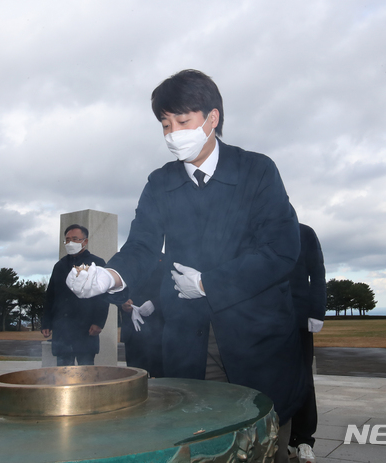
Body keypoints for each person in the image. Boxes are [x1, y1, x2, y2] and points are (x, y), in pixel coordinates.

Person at [66, 69, 305, 463]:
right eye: (164, 124)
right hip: (189, 339)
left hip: (256, 333)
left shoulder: (256, 171)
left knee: (264, 442)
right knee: (204, 441)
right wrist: (108, 275)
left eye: (182, 121)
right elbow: (142, 246)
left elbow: (281, 250)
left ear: (211, 119)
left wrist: (211, 282)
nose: (172, 133)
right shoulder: (161, 182)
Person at [41, 224, 109, 366]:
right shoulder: (59, 265)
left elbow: (103, 297)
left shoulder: (97, 263)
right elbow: (50, 296)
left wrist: (98, 322)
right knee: (63, 373)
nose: (70, 243)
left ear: (85, 241)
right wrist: (46, 322)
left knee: (86, 371)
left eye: (75, 239)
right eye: (67, 239)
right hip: (62, 328)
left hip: (86, 327)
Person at [287, 224, 326, 463]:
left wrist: (317, 310)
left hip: (299, 317)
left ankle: (303, 440)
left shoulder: (304, 232)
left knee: (303, 379)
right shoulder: (253, 229)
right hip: (262, 319)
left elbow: (317, 272)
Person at [116, 257, 165, 378]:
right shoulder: (127, 261)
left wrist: (155, 303)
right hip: (133, 332)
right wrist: (122, 303)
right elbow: (118, 289)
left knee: (159, 377)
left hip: (157, 331)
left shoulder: (166, 260)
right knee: (134, 375)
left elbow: (172, 290)